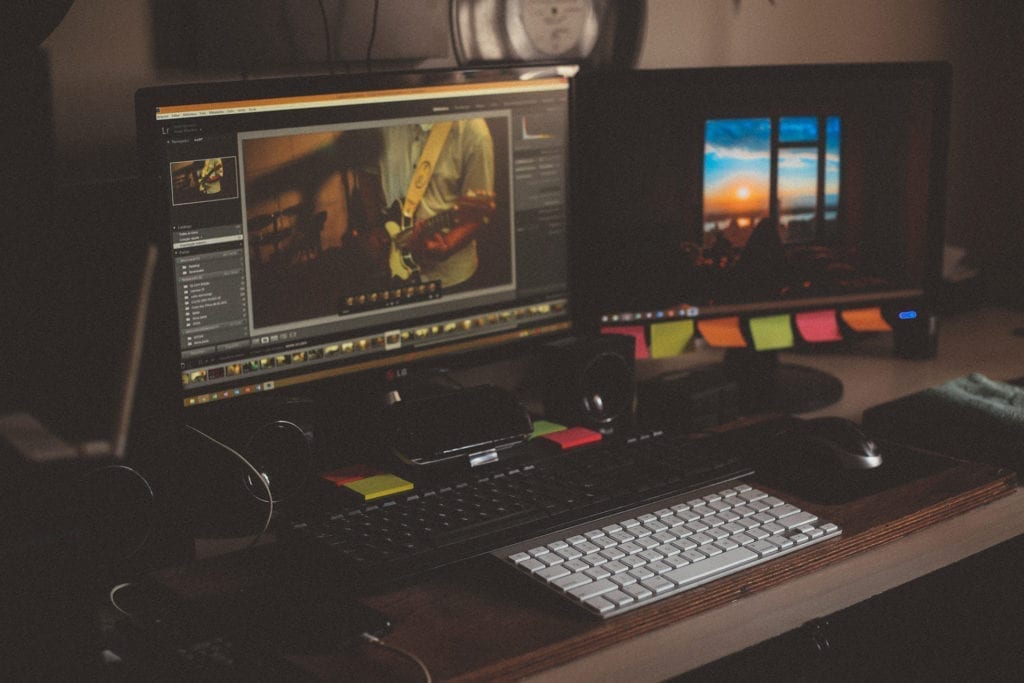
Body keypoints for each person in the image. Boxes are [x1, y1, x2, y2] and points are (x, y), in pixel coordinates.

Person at [375, 119, 496, 291]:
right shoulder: (382, 119)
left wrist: (447, 245)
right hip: (390, 269)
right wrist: (374, 229)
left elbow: (476, 214)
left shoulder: (473, 129)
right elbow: (368, 175)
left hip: (450, 280)